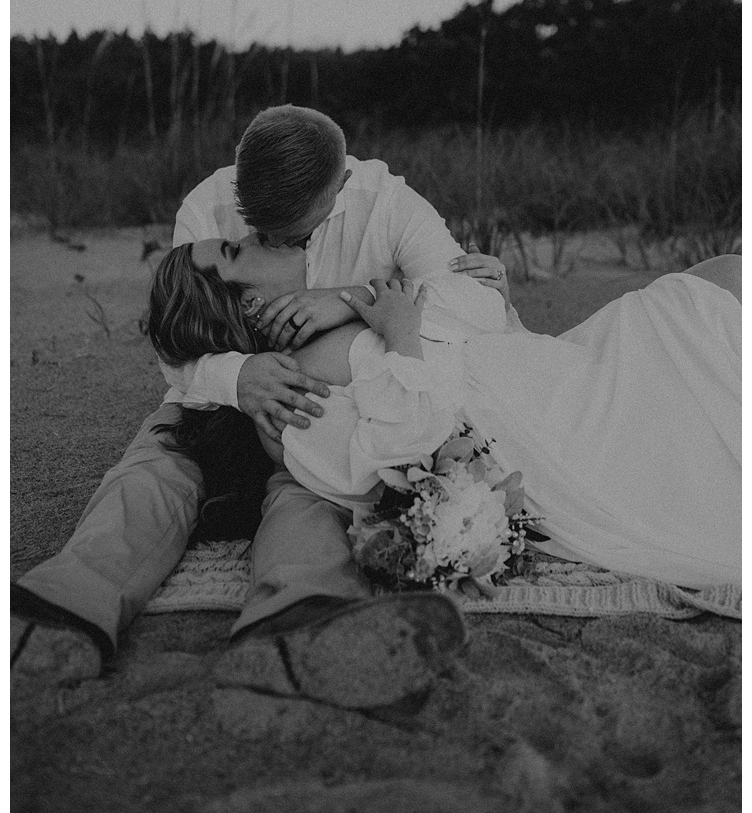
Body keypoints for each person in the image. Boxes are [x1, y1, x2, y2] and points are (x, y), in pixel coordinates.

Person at [12, 105, 514, 710]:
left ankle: (296, 625)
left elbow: (478, 305)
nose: (268, 242)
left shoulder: (388, 204)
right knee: (156, 466)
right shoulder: (208, 208)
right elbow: (178, 334)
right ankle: (58, 610)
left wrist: (350, 299)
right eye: (256, 230)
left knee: (307, 497)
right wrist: (238, 373)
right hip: (216, 398)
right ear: (239, 190)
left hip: (329, 405)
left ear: (341, 188)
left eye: (293, 234)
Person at [146, 243, 741, 633]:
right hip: (547, 428)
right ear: (248, 300)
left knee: (703, 290)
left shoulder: (328, 322)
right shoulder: (294, 383)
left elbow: (466, 351)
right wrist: (400, 332)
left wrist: (498, 301)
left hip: (553, 373)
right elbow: (397, 452)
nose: (254, 237)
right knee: (705, 296)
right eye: (233, 249)